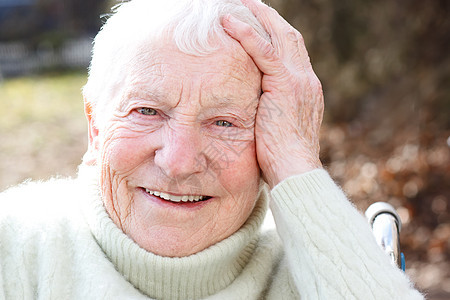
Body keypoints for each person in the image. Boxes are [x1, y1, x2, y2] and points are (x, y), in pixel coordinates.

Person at [0, 0, 424, 299]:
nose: (179, 162)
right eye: (147, 111)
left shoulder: (319, 262)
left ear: (272, 139)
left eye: (224, 123)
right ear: (94, 126)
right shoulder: (15, 241)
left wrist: (297, 166)